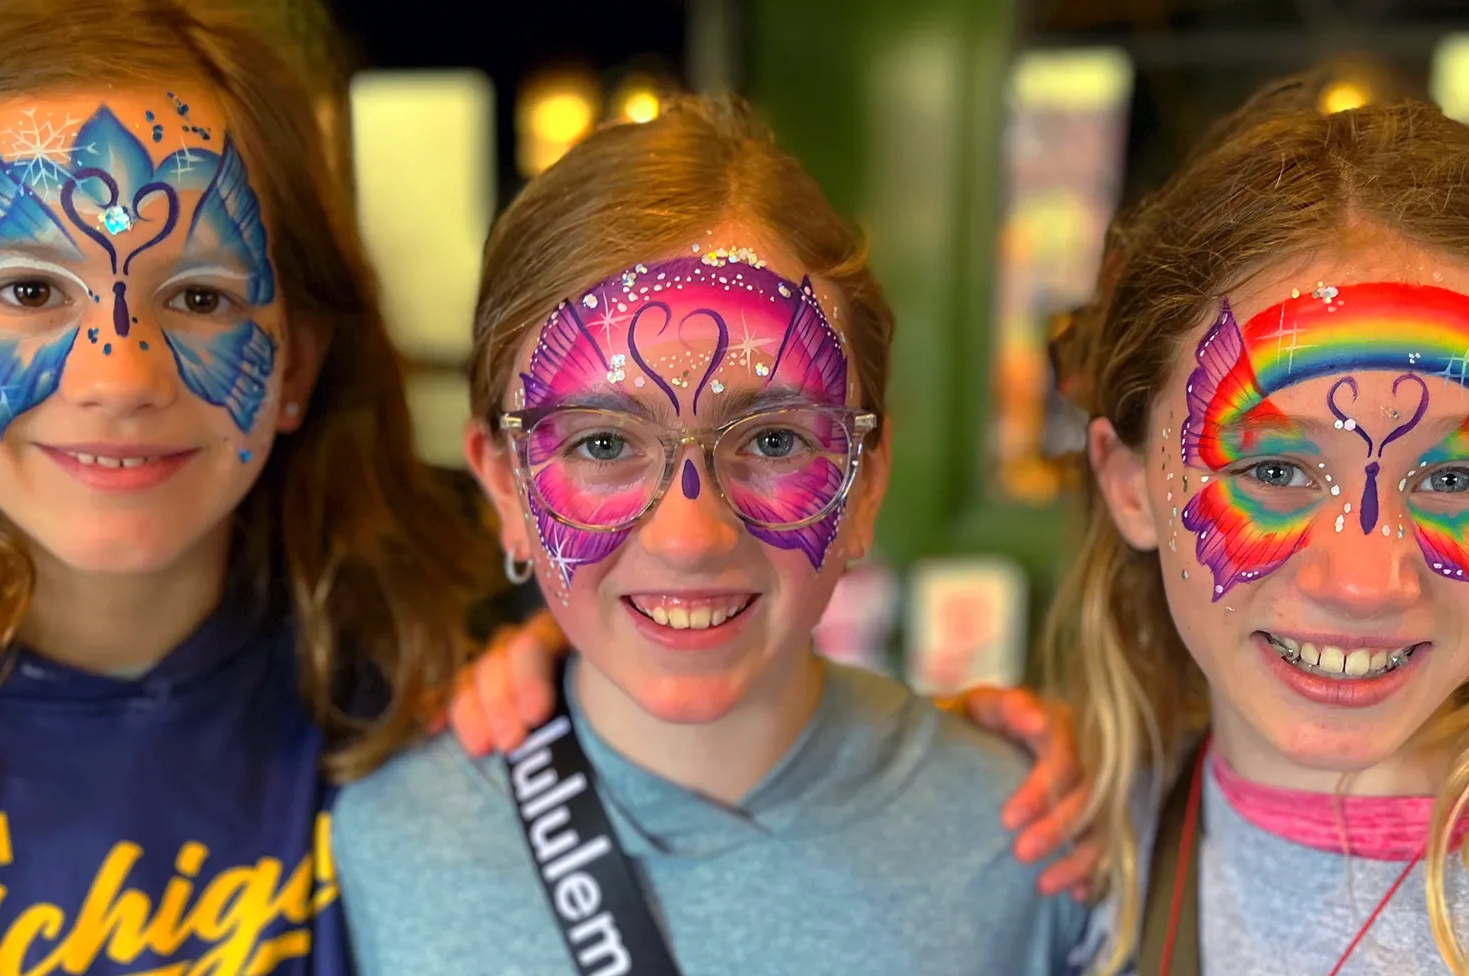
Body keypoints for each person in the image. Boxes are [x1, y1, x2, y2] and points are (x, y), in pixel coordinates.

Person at [0, 0, 566, 970]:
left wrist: (578, 669)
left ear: (296, 363)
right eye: (30, 292)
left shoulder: (422, 642)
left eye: (200, 298)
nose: (119, 379)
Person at [334, 94, 1093, 976]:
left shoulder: (1036, 841)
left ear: (868, 483)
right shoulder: (385, 844)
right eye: (604, 443)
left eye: (773, 439)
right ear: (503, 484)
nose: (690, 537)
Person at [1049, 75, 1469, 973]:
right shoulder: (1079, 852)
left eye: (1453, 477)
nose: (1366, 582)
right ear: (1129, 483)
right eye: (1275, 470)